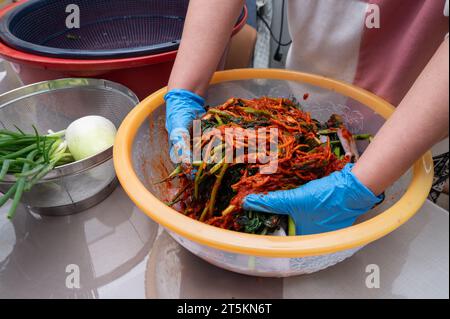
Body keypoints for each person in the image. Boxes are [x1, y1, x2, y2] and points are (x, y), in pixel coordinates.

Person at [164, 0, 449, 235]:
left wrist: (360, 187)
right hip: (308, 106)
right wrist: (186, 90)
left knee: (393, 251)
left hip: (414, 144)